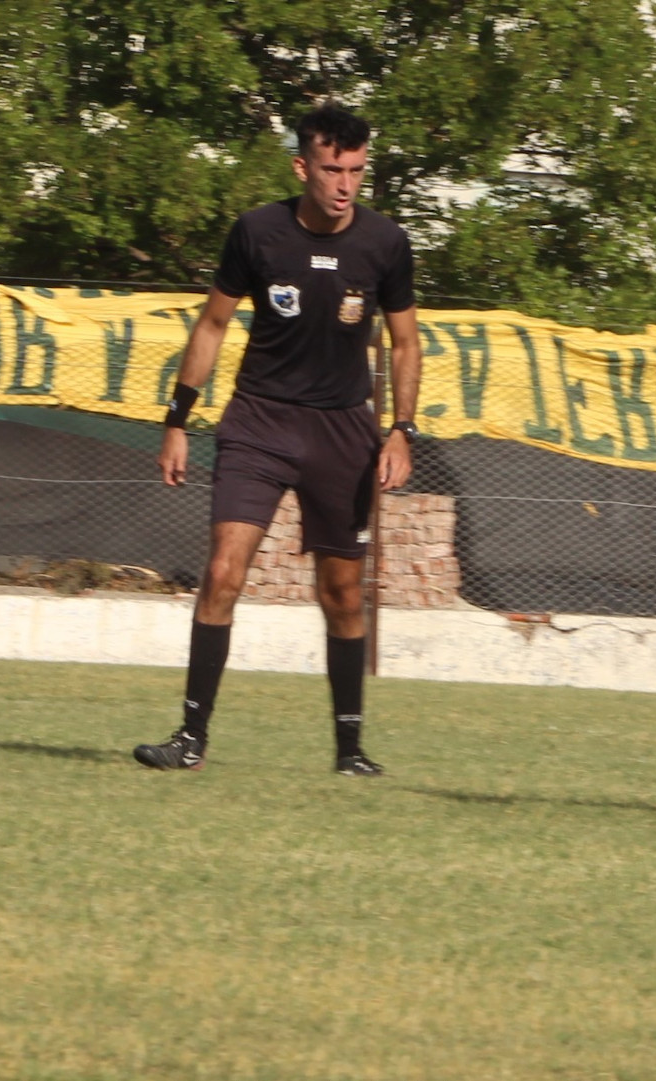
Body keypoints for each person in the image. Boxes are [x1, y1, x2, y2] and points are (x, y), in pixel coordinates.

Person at [133, 103, 422, 776]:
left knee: (342, 594)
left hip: (343, 431)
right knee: (222, 571)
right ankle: (190, 739)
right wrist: (177, 420)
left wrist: (402, 431)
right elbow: (212, 325)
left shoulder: (386, 243)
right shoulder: (257, 232)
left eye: (356, 170)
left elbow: (406, 342)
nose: (345, 184)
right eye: (331, 169)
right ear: (302, 167)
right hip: (258, 422)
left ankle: (349, 750)